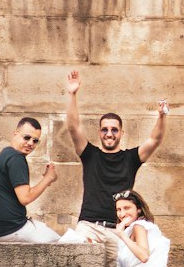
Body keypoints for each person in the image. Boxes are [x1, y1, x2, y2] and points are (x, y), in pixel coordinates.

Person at [64, 68, 168, 245]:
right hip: (89, 226)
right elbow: (74, 127)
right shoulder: (90, 154)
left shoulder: (131, 159)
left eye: (114, 130)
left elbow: (155, 139)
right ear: (99, 133)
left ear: (121, 133)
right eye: (105, 129)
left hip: (118, 230)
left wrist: (162, 115)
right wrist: (72, 94)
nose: (109, 134)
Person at [0, 116, 63, 243]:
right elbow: (25, 198)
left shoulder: (6, 155)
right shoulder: (16, 158)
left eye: (35, 140)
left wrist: (46, 181)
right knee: (65, 245)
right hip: (9, 230)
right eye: (26, 137)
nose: (30, 143)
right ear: (15, 134)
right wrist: (48, 178)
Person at [107, 188, 170, 267]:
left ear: (139, 209)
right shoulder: (140, 228)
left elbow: (144, 256)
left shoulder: (139, 226)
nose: (122, 213)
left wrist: (121, 234)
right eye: (119, 209)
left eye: (127, 208)